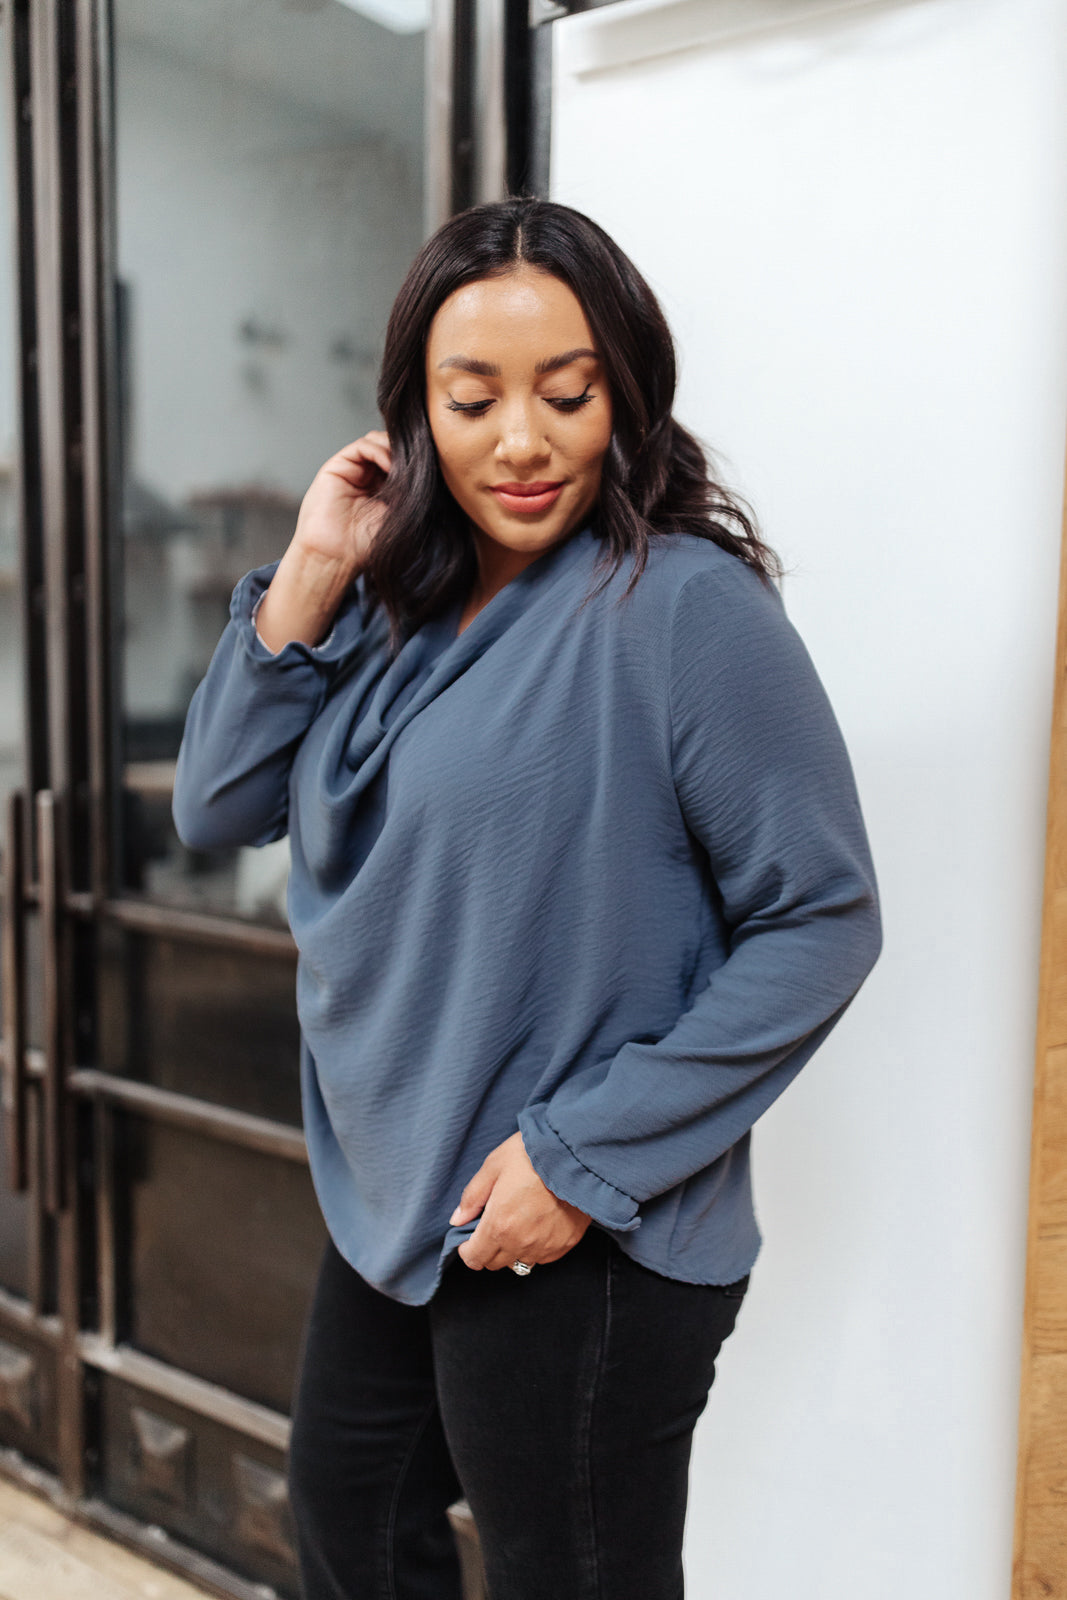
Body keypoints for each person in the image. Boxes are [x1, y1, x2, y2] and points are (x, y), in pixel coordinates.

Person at [172, 196, 881, 1600]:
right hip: (396, 1198)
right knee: (350, 1526)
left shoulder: (680, 610)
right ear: (413, 411)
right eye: (472, 398)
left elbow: (822, 917)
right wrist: (314, 564)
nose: (520, 441)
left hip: (579, 1219)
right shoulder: (389, 603)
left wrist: (578, 1159)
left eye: (566, 394)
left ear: (625, 395)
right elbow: (215, 808)